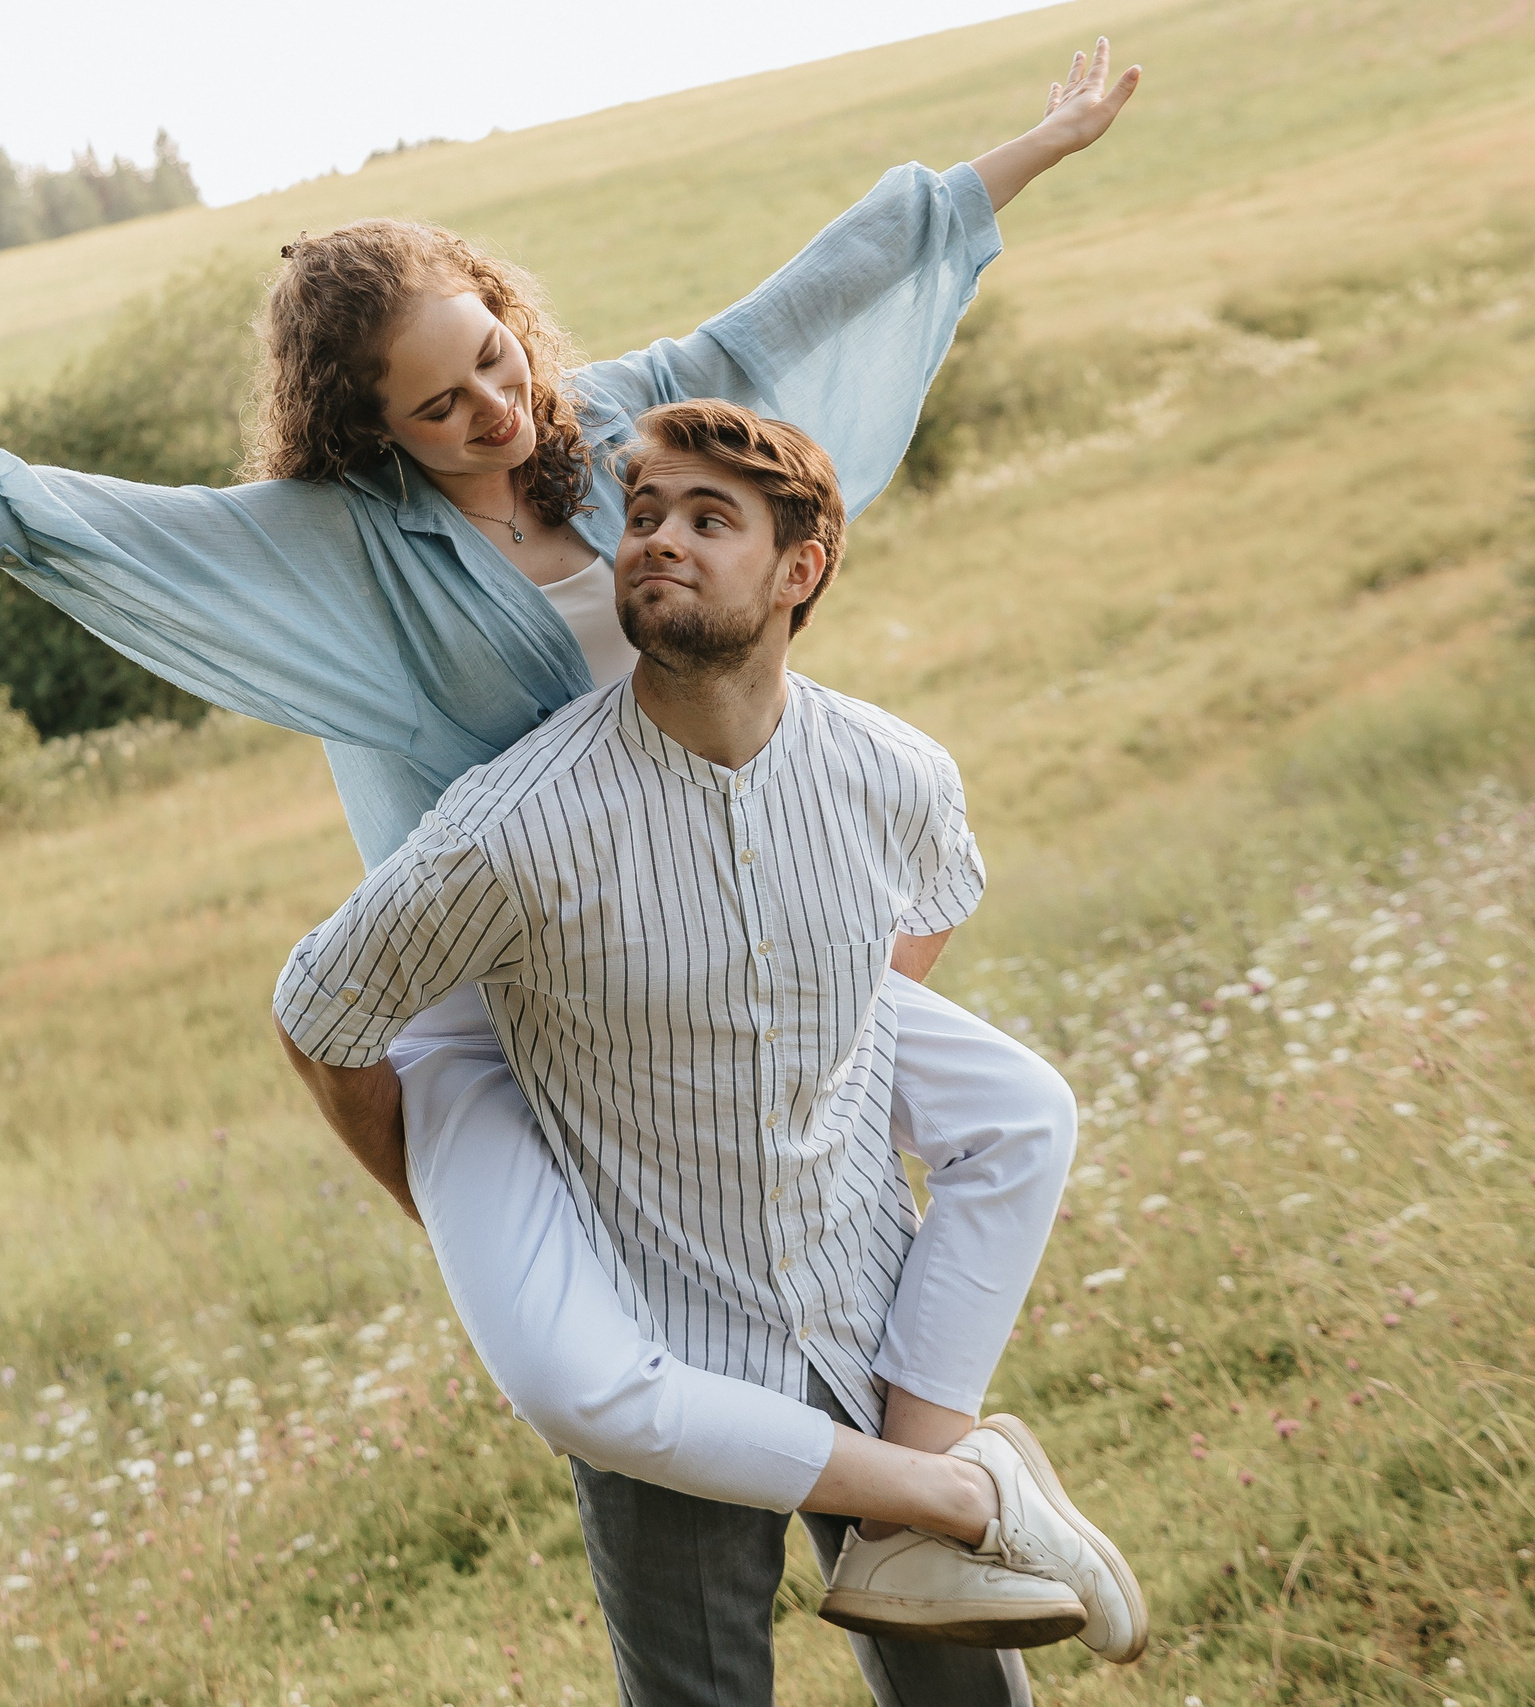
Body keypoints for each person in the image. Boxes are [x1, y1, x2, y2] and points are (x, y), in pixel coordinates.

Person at [0, 40, 1146, 1689]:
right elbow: (67, 520)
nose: (497, 406)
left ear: (504, 306)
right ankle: (930, 1489)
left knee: (1017, 1112)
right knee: (595, 1380)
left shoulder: (624, 421)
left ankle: (929, 1500)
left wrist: (1030, 153)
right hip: (513, 975)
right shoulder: (337, 545)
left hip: (727, 902)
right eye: (440, 402)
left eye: (494, 354)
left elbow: (830, 282)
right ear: (369, 428)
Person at [274, 400, 1143, 1699]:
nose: (657, 541)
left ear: (802, 569)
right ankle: (967, 1499)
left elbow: (938, 893)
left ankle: (947, 1492)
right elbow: (321, 1010)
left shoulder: (895, 773)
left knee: (968, 1700)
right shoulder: (508, 835)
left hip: (868, 1327)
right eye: (642, 517)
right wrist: (439, 1204)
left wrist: (826, 1042)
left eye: (705, 517)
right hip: (661, 1366)